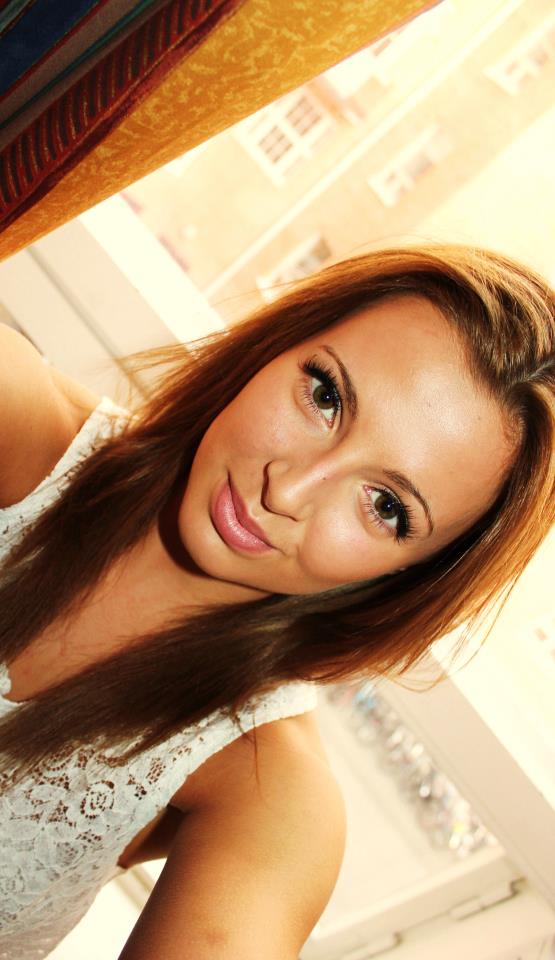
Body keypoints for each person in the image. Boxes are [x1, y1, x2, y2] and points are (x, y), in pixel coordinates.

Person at [0, 243, 553, 959]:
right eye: (325, 397)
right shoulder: (19, 419)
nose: (286, 490)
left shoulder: (270, 795)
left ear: (414, 574)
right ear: (276, 346)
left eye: (385, 506)